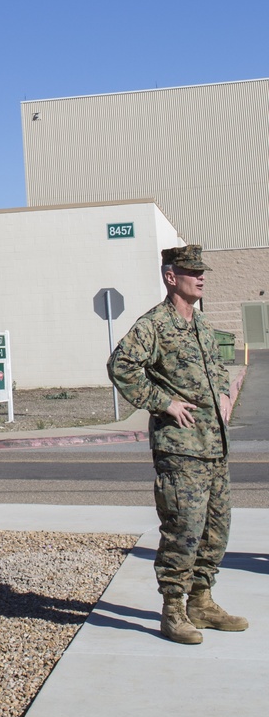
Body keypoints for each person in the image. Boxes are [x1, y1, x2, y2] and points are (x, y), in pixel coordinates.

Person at [107, 244, 248, 645]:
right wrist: (163, 403)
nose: (200, 277)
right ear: (171, 277)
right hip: (180, 448)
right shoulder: (155, 324)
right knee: (182, 530)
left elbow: (219, 366)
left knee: (216, 530)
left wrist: (223, 392)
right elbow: (121, 365)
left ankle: (202, 601)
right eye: (192, 272)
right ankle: (173, 610)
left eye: (202, 271)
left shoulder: (201, 324)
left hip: (214, 447)